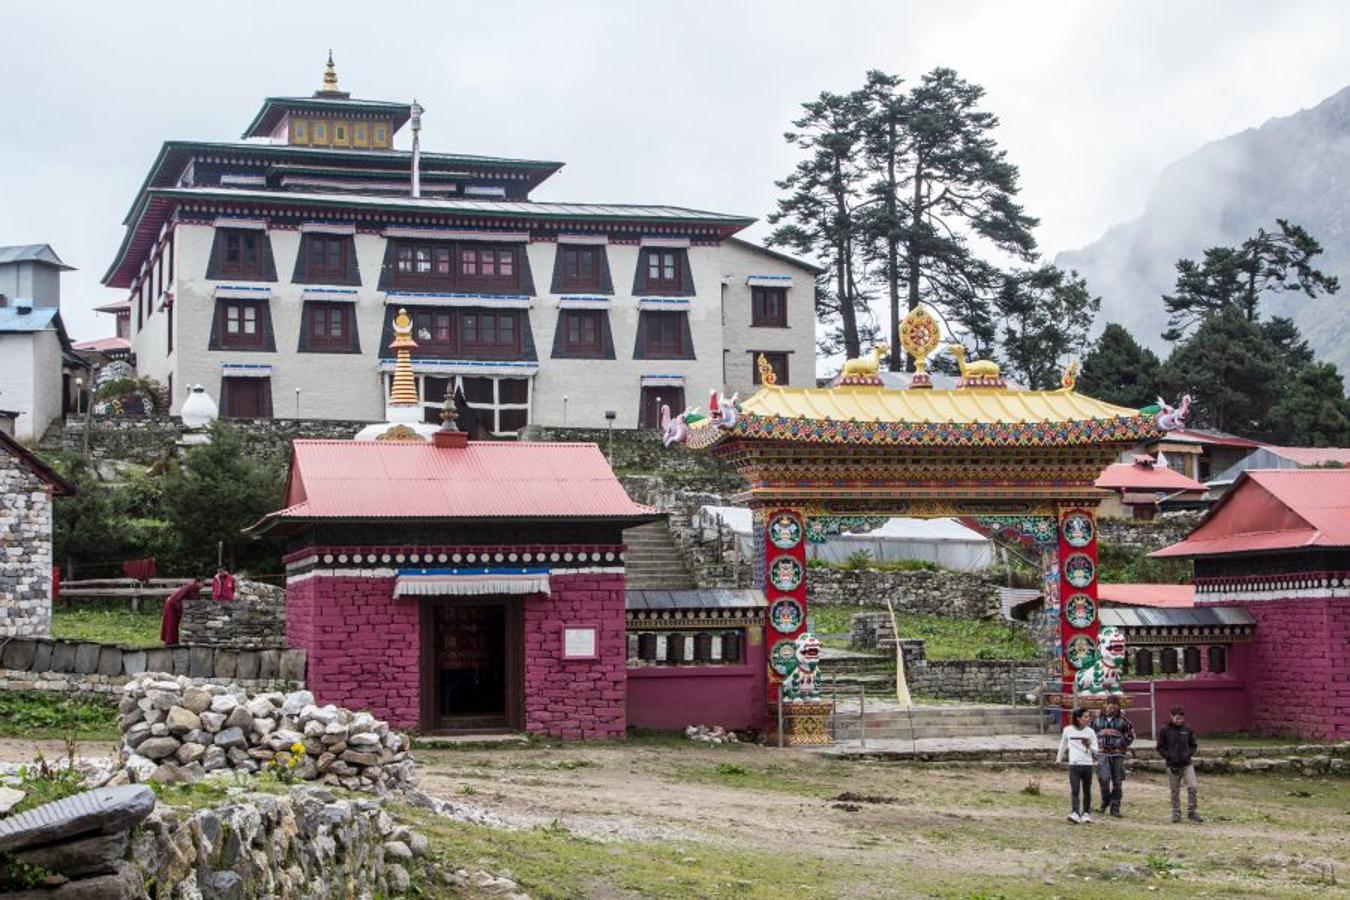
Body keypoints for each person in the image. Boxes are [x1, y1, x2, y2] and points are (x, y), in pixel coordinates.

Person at [1156, 705, 1203, 823]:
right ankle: (1176, 812)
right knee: (1175, 789)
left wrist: (1188, 754)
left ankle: (1192, 811)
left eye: (1181, 718)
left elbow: (1193, 745)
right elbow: (1160, 747)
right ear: (1171, 716)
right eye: (1177, 718)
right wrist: (1169, 756)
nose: (1179, 720)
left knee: (1192, 786)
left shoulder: (1188, 729)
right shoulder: (1165, 729)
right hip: (1172, 764)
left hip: (1187, 763)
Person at [1090, 697, 1136, 817]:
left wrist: (1123, 745)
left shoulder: (1123, 720)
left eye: (1115, 704)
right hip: (1102, 753)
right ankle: (1105, 800)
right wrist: (1094, 748)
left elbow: (1131, 734)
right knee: (1103, 779)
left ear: (1118, 706)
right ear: (1105, 705)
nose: (1111, 707)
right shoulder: (1096, 719)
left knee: (1117, 781)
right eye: (1109, 704)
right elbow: (1090, 734)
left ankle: (1115, 807)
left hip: (1118, 754)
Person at [1056, 706, 1099, 823]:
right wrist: (1058, 759)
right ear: (1078, 718)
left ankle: (1086, 813)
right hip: (1074, 764)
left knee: (1087, 790)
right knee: (1075, 789)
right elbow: (1063, 745)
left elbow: (1096, 750)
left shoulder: (1091, 732)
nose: (1088, 719)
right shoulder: (1068, 730)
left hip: (1087, 764)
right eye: (1085, 717)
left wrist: (1088, 745)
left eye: (1088, 716)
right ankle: (1075, 812)